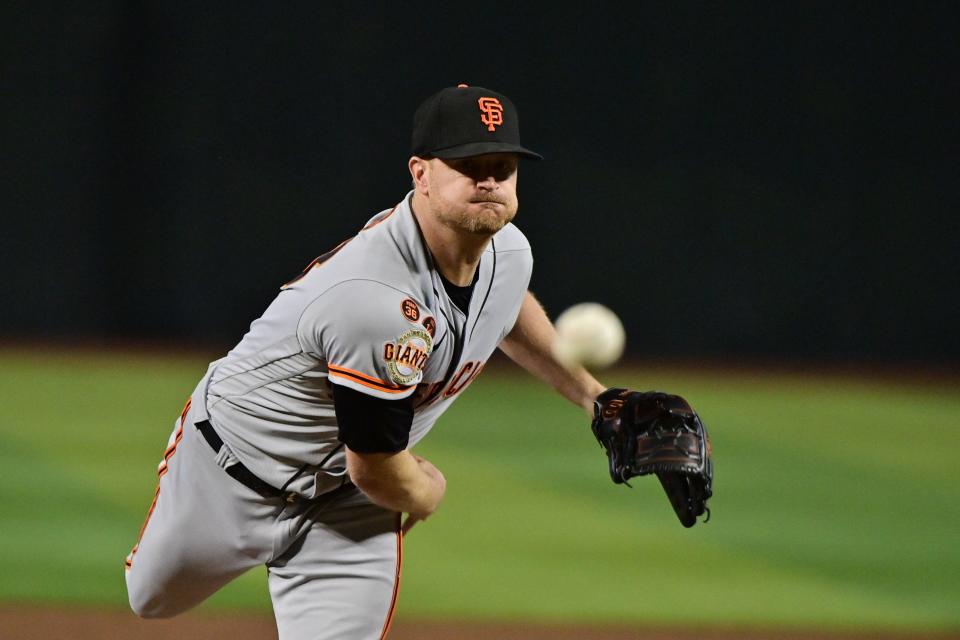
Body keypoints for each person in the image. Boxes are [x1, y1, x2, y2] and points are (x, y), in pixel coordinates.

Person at [124, 83, 606, 639]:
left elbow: (505, 305)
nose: (490, 179)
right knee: (151, 599)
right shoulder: (372, 298)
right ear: (420, 173)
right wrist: (426, 491)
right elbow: (377, 465)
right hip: (229, 469)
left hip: (347, 508)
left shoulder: (508, 252)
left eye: (504, 164)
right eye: (469, 164)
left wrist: (598, 399)